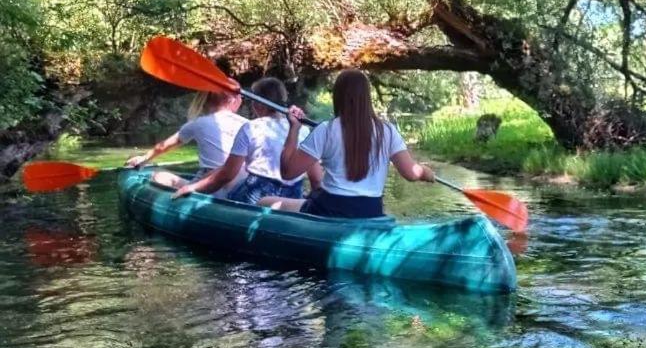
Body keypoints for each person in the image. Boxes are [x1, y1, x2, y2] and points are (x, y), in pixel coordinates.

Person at [262, 69, 435, 217]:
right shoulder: (387, 131)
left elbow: (288, 172)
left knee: (264, 201)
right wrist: (426, 173)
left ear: (338, 96)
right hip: (370, 211)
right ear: (367, 97)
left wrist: (294, 129)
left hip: (330, 210)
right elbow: (412, 173)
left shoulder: (326, 130)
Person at [173, 77, 322, 203]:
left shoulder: (250, 128)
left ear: (257, 104)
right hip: (293, 194)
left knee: (229, 179)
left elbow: (226, 175)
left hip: (256, 196)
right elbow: (316, 180)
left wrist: (192, 188)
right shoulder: (303, 129)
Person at [125, 89, 246, 193]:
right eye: (241, 97)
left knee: (159, 176)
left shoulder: (197, 123)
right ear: (233, 100)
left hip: (210, 184)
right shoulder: (249, 124)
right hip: (242, 185)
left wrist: (144, 158)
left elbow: (163, 146)